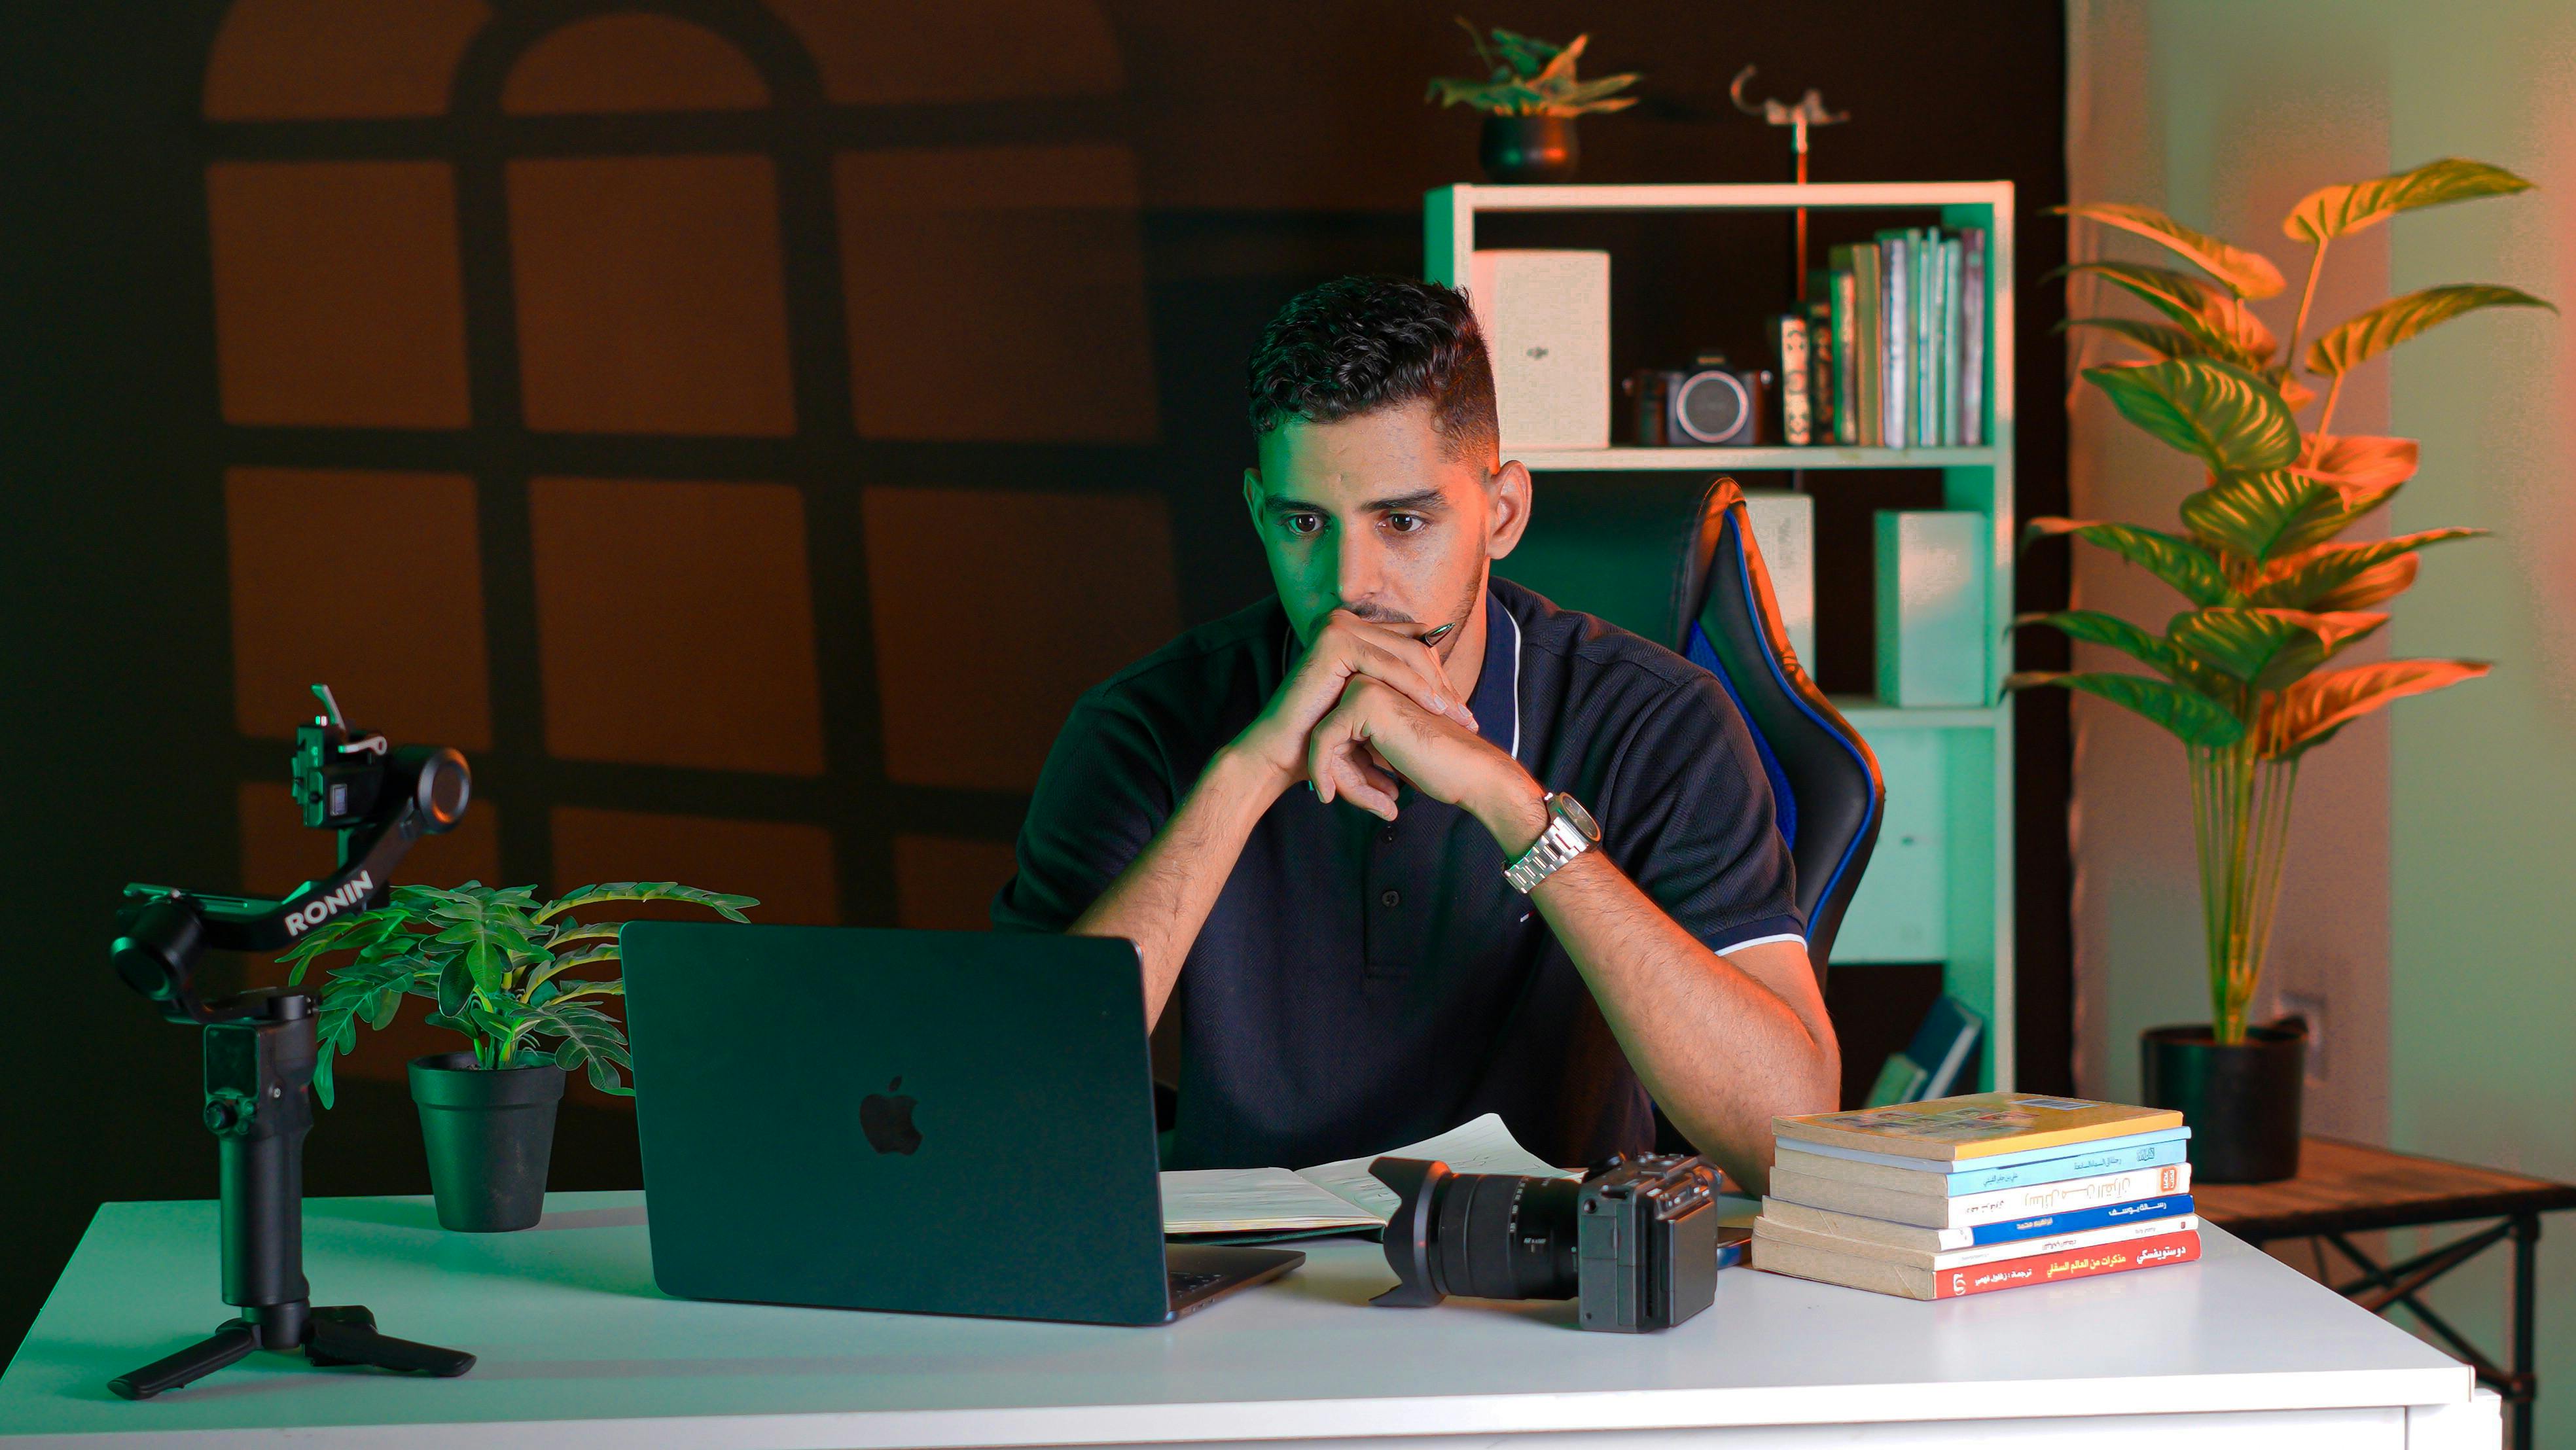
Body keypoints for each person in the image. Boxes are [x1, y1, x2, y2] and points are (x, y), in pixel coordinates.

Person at [995, 275, 1836, 1192]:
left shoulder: (1659, 719)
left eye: (1404, 521)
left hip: (1550, 1292)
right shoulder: (1142, 726)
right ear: (1256, 514)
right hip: (1243, 1293)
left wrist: (1510, 806)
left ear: (1502, 513)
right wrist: (1248, 772)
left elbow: (1785, 1142)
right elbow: (1014, 1111)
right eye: (1305, 524)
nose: (1351, 585)